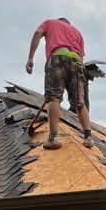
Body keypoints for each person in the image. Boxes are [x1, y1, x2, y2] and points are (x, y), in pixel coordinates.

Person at [26, 17, 95, 150]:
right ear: (68, 24)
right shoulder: (77, 32)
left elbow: (37, 33)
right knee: (79, 102)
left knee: (54, 98)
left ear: (59, 21)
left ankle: (53, 138)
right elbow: (81, 55)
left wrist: (30, 58)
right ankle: (88, 138)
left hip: (57, 57)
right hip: (76, 62)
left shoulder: (49, 23)